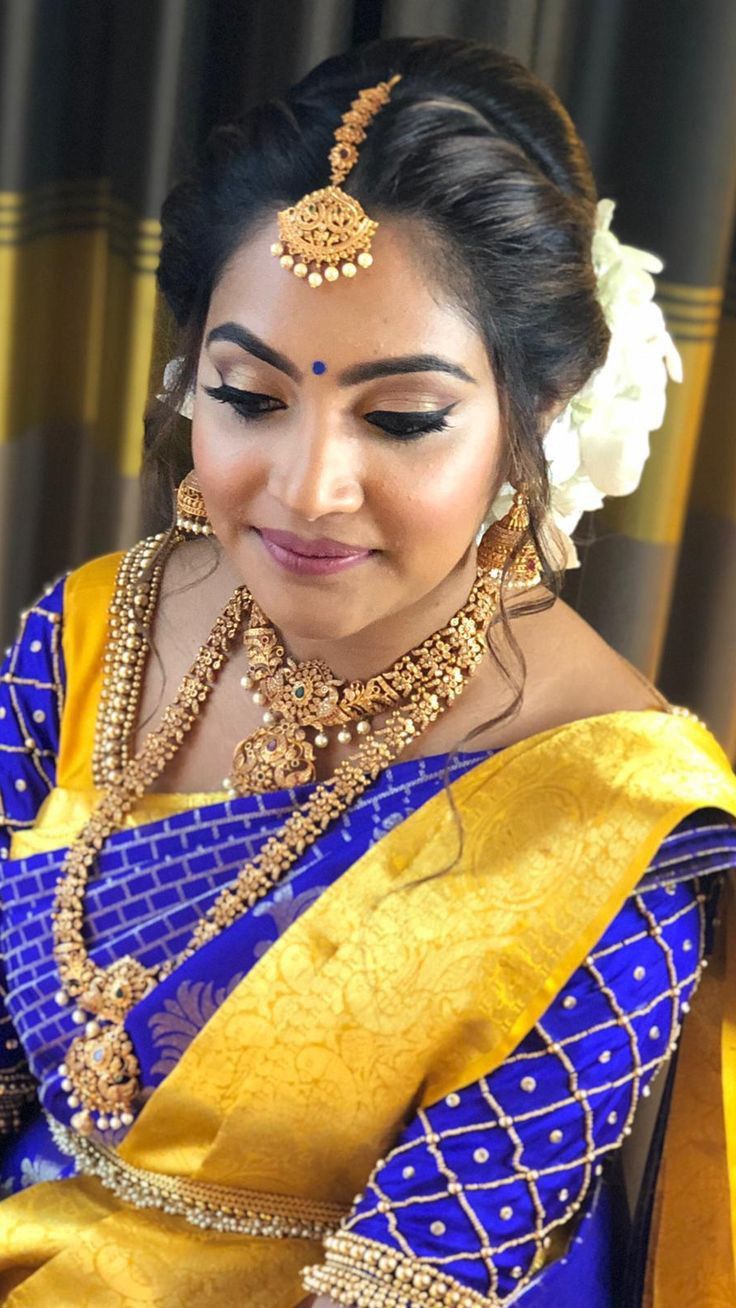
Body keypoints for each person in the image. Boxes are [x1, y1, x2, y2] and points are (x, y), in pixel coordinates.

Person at [0, 34, 734, 1308]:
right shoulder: (87, 635)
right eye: (247, 393)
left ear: (540, 411)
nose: (305, 488)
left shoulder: (614, 817)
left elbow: (421, 1273)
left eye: (400, 418)